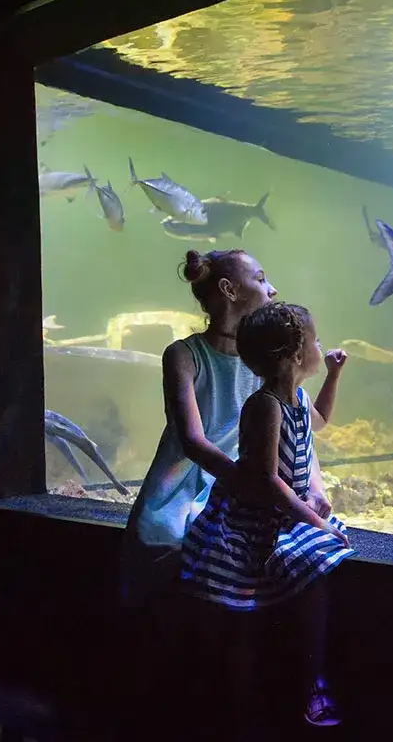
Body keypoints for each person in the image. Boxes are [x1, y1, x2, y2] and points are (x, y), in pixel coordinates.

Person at [179, 301, 355, 729]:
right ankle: (265, 696)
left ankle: (291, 683)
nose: (320, 346)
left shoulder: (296, 396)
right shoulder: (265, 406)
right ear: (295, 354)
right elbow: (267, 481)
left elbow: (321, 422)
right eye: (314, 341)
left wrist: (333, 376)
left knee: (259, 616)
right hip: (254, 519)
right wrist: (312, 520)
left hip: (283, 512)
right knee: (243, 615)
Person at [118, 249, 278, 608]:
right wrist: (250, 486)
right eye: (262, 279)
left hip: (234, 494)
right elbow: (192, 441)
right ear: (229, 289)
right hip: (176, 496)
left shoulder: (264, 362)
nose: (273, 289)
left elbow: (302, 424)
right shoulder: (183, 355)